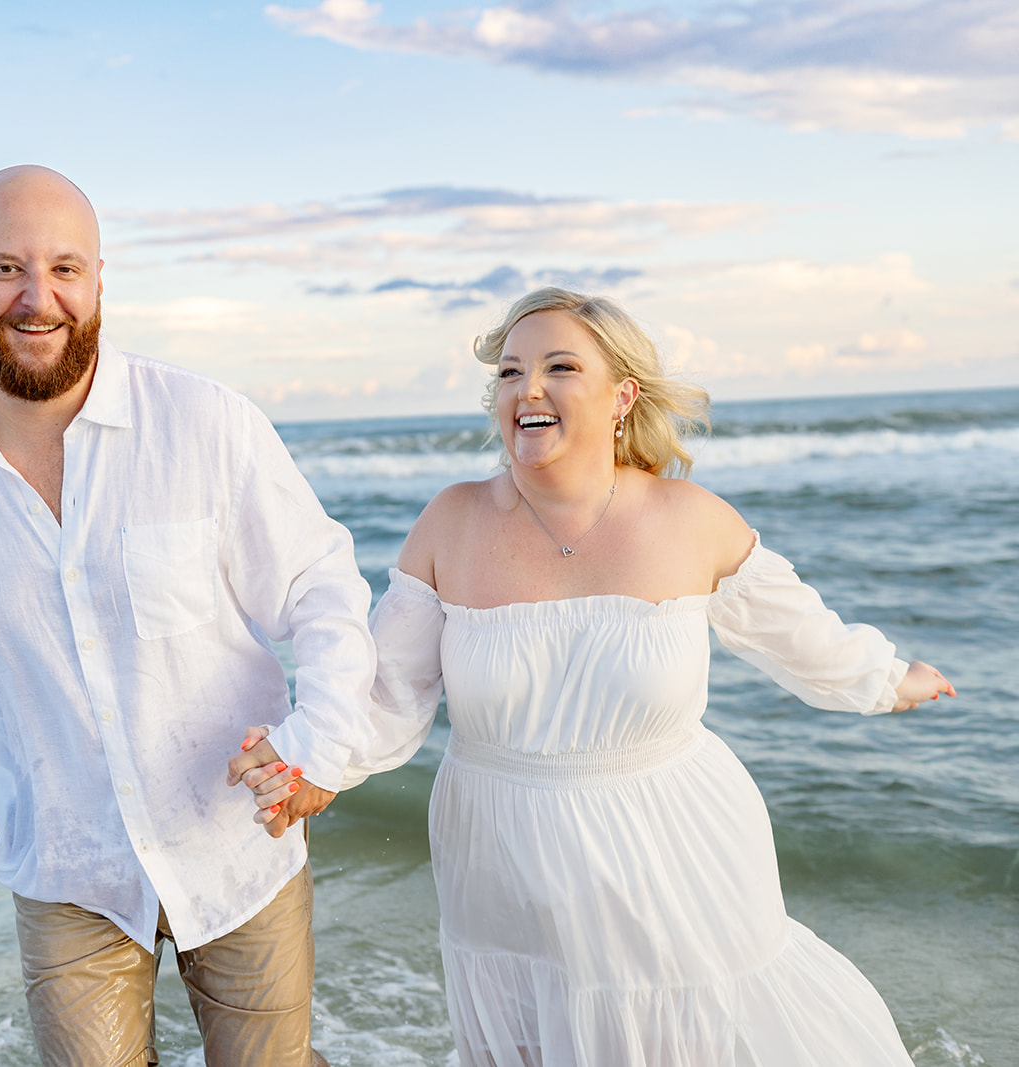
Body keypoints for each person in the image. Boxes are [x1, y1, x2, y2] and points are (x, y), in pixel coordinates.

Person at [232, 286, 954, 1065]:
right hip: (499, 855)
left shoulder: (689, 517)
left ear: (622, 396)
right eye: (509, 373)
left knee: (684, 1036)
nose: (527, 388)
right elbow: (388, 695)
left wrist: (888, 680)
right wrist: (309, 761)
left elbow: (799, 636)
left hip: (671, 841)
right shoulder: (453, 521)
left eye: (559, 366)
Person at [0, 165, 371, 1066]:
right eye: (5, 270)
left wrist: (323, 742)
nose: (40, 299)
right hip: (68, 866)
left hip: (235, 847)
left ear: (100, 278)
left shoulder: (206, 423)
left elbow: (324, 590)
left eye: (65, 268)